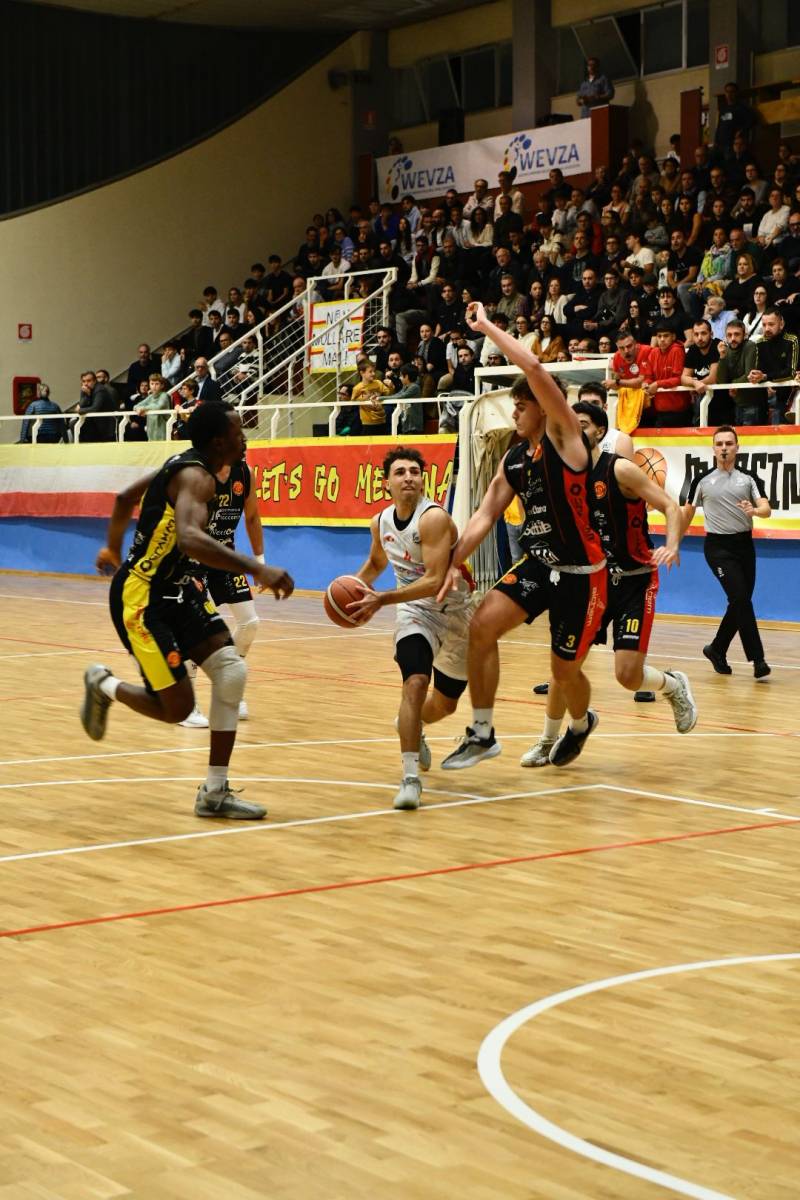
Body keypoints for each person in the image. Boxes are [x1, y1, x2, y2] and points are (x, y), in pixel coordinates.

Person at [81, 402, 294, 819]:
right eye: (237, 432)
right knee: (177, 708)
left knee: (231, 671)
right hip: (143, 599)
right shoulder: (196, 476)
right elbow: (190, 539)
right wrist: (257, 567)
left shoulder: (187, 465)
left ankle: (214, 792)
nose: (245, 438)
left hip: (181, 590)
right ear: (218, 442)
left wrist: (112, 547)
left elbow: (125, 498)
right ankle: (103, 684)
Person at [438, 301, 607, 771]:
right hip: (539, 564)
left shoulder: (565, 438)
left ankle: (580, 723)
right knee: (482, 626)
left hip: (582, 573)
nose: (514, 411)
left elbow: (533, 366)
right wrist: (452, 560)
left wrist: (485, 327)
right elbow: (484, 514)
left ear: (543, 408)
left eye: (521, 404)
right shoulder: (514, 458)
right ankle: (482, 733)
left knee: (563, 673)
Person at [520, 401, 695, 766]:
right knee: (564, 667)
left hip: (634, 580)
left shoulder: (620, 469)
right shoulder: (565, 474)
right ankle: (547, 740)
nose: (574, 429)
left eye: (582, 424)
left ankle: (673, 685)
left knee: (628, 676)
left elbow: (670, 506)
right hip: (591, 583)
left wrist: (673, 545)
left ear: (600, 432)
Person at [346, 447, 474, 810]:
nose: (408, 478)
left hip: (456, 612)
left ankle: (412, 724)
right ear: (386, 483)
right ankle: (410, 778)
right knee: (415, 682)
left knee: (446, 705)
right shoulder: (380, 522)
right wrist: (350, 591)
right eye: (400, 472)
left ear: (423, 480)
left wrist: (383, 599)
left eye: (414, 472)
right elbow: (375, 564)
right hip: (415, 612)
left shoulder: (432, 518)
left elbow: (434, 580)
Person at [180, 453, 266, 727]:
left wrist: (260, 562)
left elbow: (252, 517)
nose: (242, 442)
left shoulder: (245, 473)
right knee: (196, 629)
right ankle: (187, 705)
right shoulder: (198, 472)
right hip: (194, 557)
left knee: (250, 623)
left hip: (224, 555)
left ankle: (229, 686)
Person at [682, 425, 771, 679]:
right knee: (741, 599)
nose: (724, 448)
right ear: (713, 448)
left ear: (737, 448)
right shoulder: (702, 480)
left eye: (729, 444)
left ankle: (717, 649)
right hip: (718, 548)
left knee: (739, 602)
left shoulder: (749, 478)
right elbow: (686, 514)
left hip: (744, 546)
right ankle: (758, 660)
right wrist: (673, 542)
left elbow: (766, 509)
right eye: (719, 444)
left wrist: (755, 511)